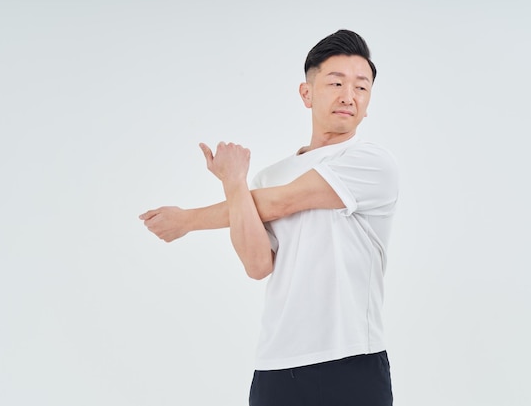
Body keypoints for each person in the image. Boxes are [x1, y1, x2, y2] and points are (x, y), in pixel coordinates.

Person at [139, 29, 398, 406]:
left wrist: (189, 220)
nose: (349, 96)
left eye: (362, 88)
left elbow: (281, 203)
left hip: (351, 359)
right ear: (306, 93)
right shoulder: (267, 178)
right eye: (336, 83)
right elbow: (258, 264)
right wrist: (235, 184)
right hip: (277, 364)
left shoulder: (371, 163)